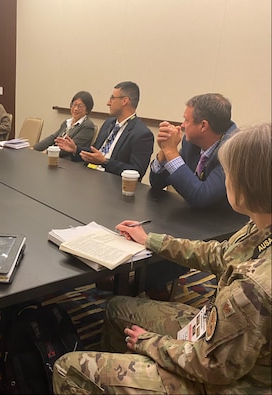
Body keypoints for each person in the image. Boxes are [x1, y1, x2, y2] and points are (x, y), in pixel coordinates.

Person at [53, 123, 271, 394]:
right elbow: (219, 254)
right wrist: (149, 240)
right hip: (218, 336)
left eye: (229, 174)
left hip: (227, 381)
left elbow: (211, 365)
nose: (225, 179)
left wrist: (149, 343)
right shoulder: (261, 226)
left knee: (67, 368)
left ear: (247, 185)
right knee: (117, 307)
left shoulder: (255, 285)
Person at [146, 93, 238, 299]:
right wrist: (163, 152)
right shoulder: (191, 142)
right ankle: (149, 280)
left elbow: (200, 196)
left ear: (203, 125)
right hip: (194, 213)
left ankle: (146, 282)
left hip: (224, 223)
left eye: (186, 120)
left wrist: (171, 151)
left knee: (177, 236)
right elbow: (157, 182)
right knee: (155, 224)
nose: (182, 125)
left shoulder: (233, 149)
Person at [56, 81, 153, 178]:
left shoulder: (142, 134)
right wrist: (75, 149)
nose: (108, 103)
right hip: (91, 175)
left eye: (112, 98)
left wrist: (105, 161)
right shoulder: (109, 123)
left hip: (112, 184)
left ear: (125, 101)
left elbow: (136, 171)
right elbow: (95, 151)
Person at [33, 91, 95, 157]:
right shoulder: (67, 122)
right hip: (55, 156)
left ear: (87, 109)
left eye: (80, 106)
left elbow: (69, 148)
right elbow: (53, 138)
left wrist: (46, 153)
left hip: (68, 161)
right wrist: (34, 148)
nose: (76, 109)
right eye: (74, 105)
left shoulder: (88, 126)